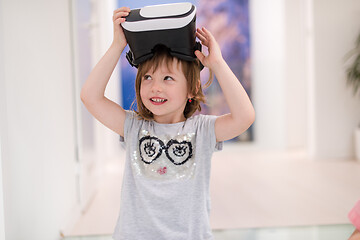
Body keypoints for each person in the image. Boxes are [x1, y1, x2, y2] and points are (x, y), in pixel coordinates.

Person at [80, 6, 255, 240]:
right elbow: (90, 96)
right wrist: (116, 46)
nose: (155, 86)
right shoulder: (134, 127)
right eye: (147, 77)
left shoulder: (201, 131)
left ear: (192, 89)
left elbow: (244, 117)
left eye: (168, 78)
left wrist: (218, 64)